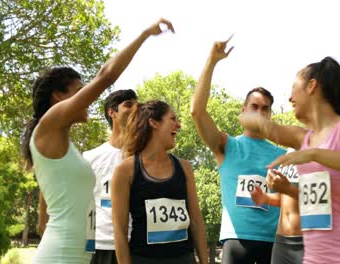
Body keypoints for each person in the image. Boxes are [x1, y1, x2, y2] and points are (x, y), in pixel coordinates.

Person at [20, 18, 175, 263]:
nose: (87, 99)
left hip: (80, 255)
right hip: (60, 256)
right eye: (79, 91)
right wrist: (145, 33)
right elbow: (106, 75)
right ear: (58, 97)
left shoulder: (64, 144)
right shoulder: (48, 125)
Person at [240, 56, 340, 263]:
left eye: (293, 87)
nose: (289, 98)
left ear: (312, 86)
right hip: (314, 257)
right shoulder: (302, 137)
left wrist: (315, 154)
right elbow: (250, 121)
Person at [191, 37, 286, 264]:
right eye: (254, 106)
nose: (259, 112)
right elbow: (197, 112)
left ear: (270, 114)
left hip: (273, 243)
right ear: (244, 110)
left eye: (265, 108)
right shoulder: (227, 145)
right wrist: (212, 61)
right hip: (236, 242)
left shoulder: (282, 155)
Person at [111, 100, 208, 264]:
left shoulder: (185, 168)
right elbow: (119, 231)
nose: (178, 125)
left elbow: (196, 220)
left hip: (184, 259)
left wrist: (205, 262)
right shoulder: (124, 170)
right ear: (153, 122)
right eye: (173, 119)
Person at [83, 89, 138, 264]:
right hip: (100, 247)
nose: (135, 109)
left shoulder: (145, 157)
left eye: (138, 105)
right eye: (129, 105)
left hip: (137, 245)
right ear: (112, 112)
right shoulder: (90, 157)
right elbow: (85, 205)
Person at [250, 146, 304, 264]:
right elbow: (285, 198)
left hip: (307, 242)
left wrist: (289, 189)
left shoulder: (319, 150)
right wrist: (266, 198)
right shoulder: (289, 152)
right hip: (282, 242)